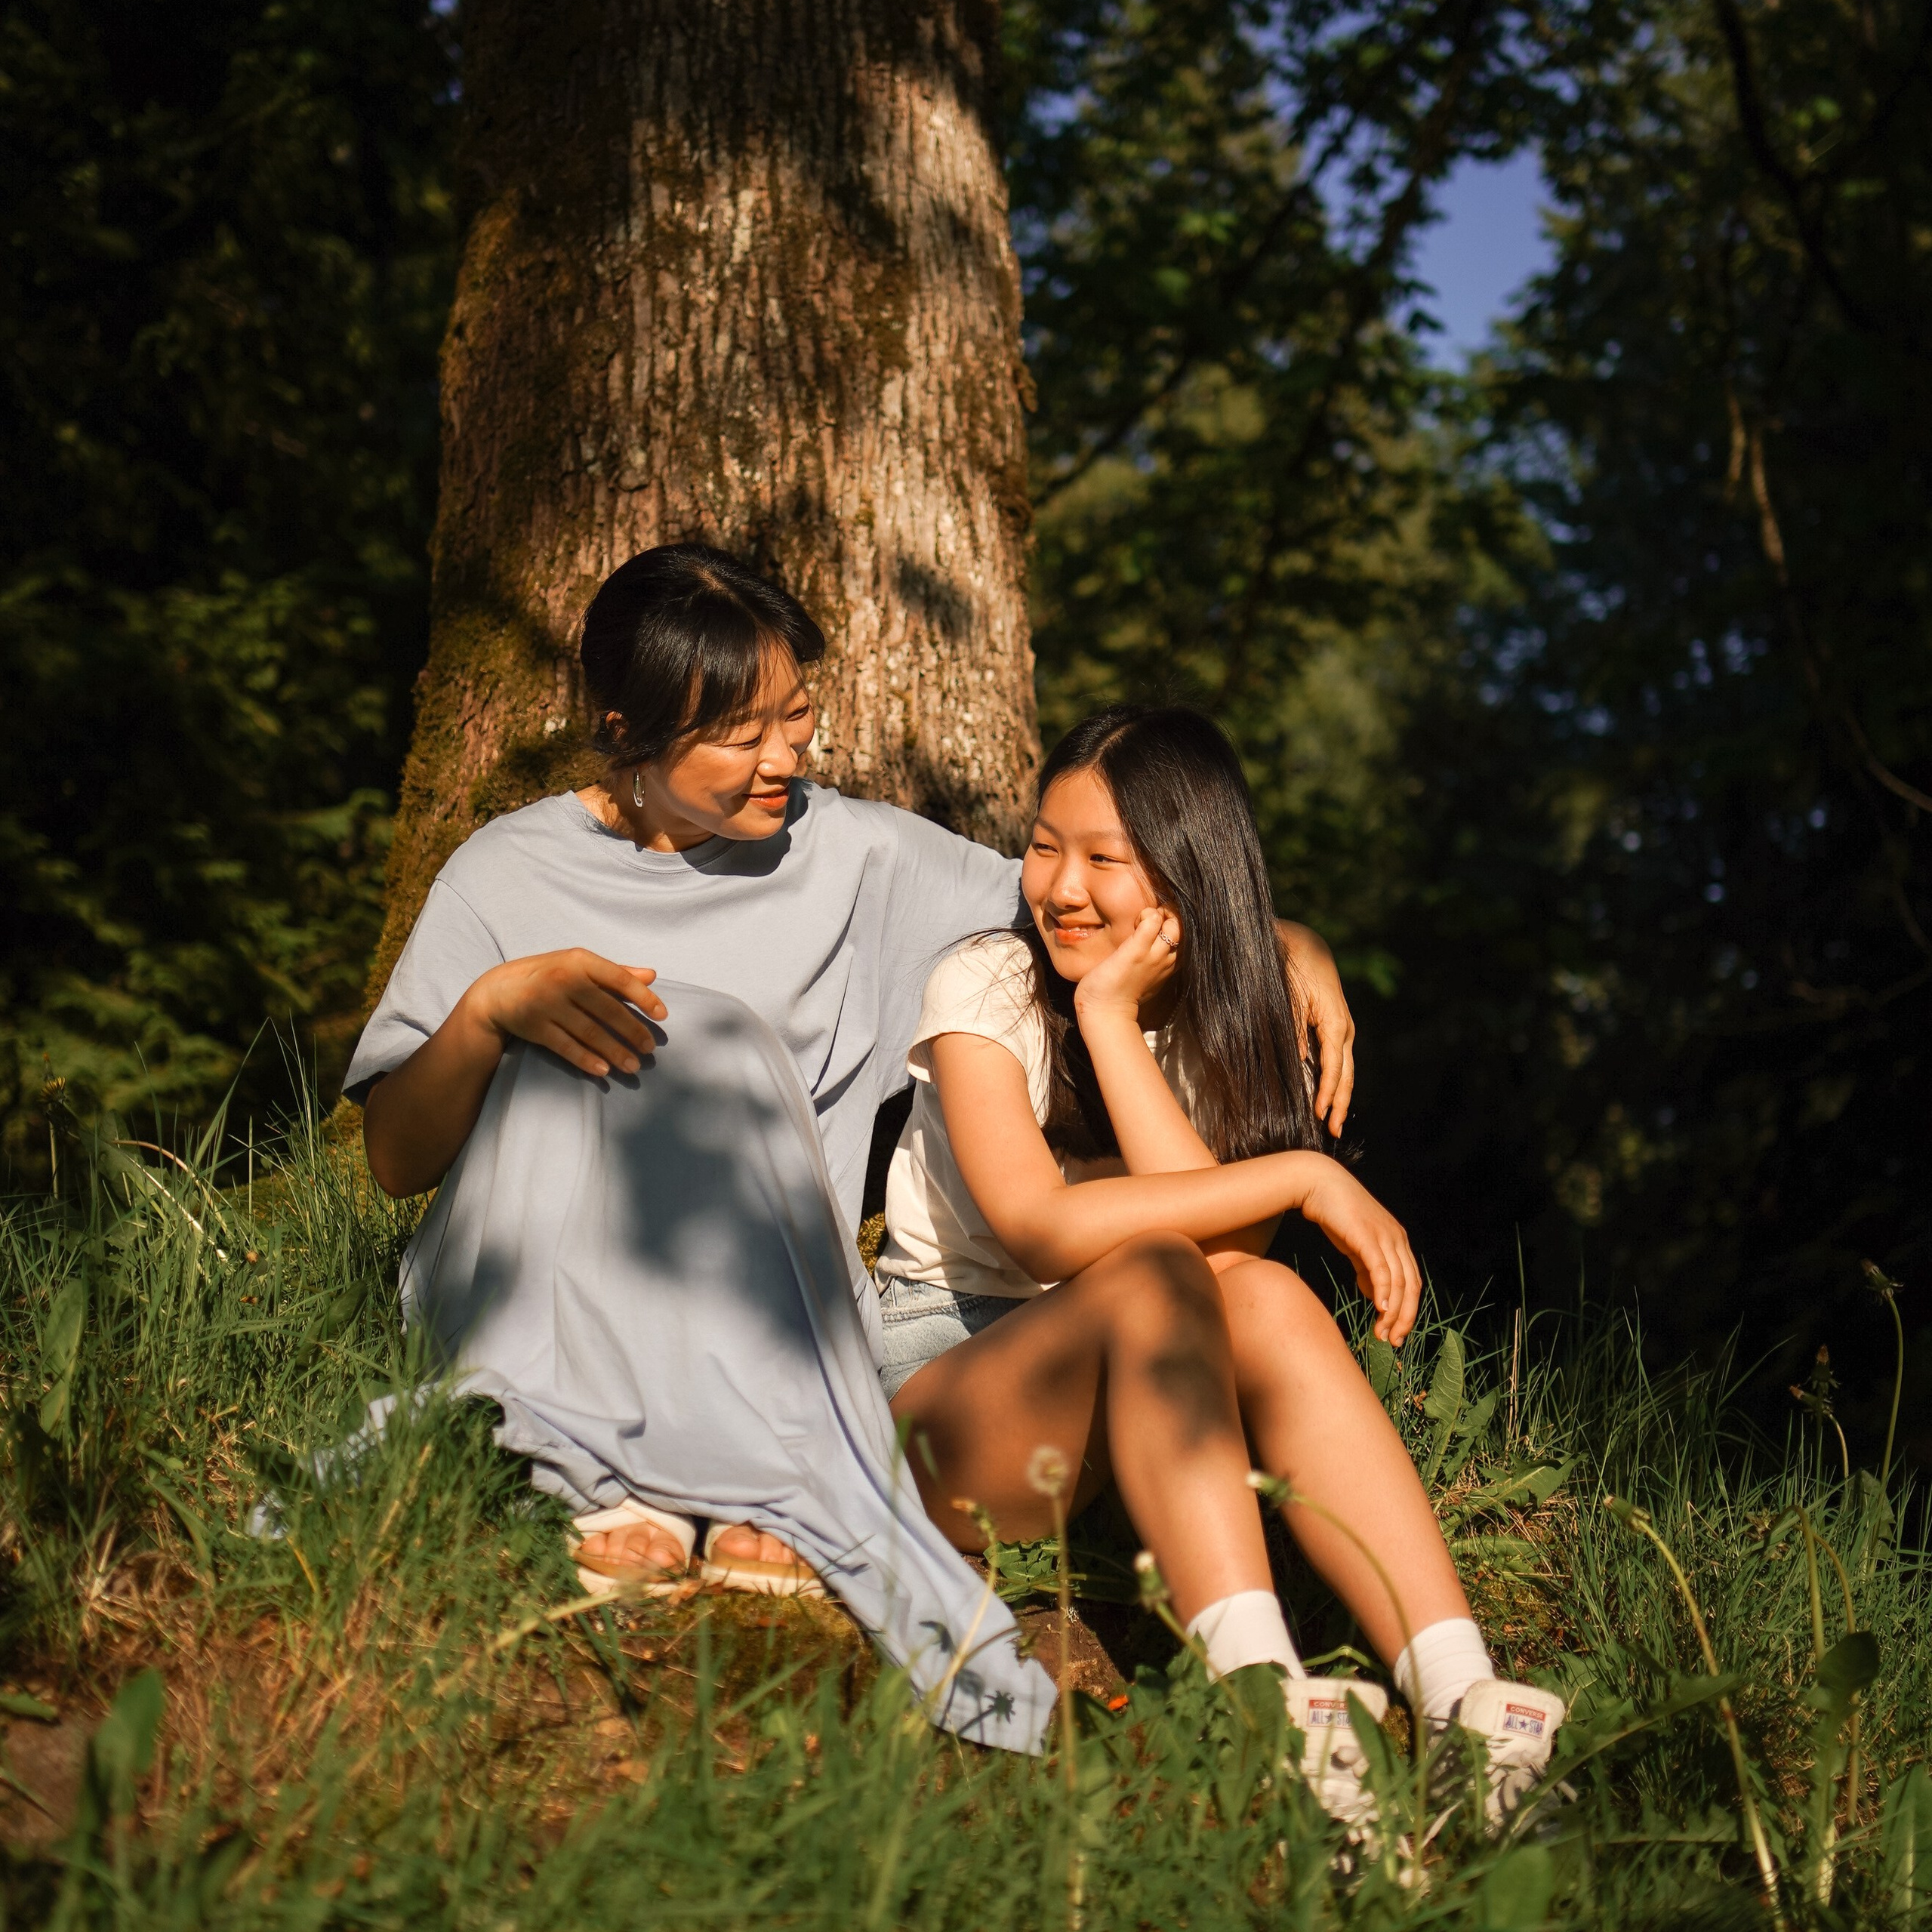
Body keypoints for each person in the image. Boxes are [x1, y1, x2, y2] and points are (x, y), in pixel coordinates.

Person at [344, 545, 1354, 1752]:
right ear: (624, 729)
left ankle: (717, 1475)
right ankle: (626, 1469)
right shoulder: (508, 871)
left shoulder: (862, 859)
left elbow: (1088, 905)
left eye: (797, 717)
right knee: (684, 1029)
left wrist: (1283, 936)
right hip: (547, 1295)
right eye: (736, 733)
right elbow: (399, 1162)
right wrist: (490, 1012)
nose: (784, 759)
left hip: (775, 1324)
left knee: (707, 1038)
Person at [876, 704, 1567, 1820]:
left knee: (1264, 1290)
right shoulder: (988, 985)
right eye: (1046, 845)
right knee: (1157, 1273)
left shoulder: (1222, 1015)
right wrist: (1305, 1175)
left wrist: (1112, 1022)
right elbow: (1039, 1229)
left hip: (1128, 1388)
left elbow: (1222, 1253)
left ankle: (1461, 1699)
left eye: (1106, 858)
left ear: (1188, 875)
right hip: (948, 1375)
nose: (1060, 887)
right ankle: (1267, 1703)